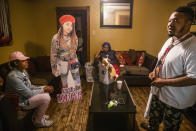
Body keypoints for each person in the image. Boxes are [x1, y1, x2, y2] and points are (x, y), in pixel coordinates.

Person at [141, 6, 196, 131]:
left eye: (176, 21)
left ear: (189, 24)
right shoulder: (171, 40)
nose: (170, 24)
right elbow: (162, 60)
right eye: (170, 20)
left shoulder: (192, 47)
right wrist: (154, 72)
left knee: (170, 127)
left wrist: (163, 82)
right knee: (154, 117)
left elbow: (194, 77)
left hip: (175, 100)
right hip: (159, 93)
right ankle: (152, 127)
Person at [6, 51, 54, 128]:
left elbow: (30, 86)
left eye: (26, 60)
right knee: (46, 97)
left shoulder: (23, 71)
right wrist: (44, 89)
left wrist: (43, 88)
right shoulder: (13, 77)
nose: (27, 62)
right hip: (21, 102)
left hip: (26, 96)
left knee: (44, 88)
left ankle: (37, 116)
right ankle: (38, 122)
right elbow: (29, 94)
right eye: (23, 61)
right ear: (16, 63)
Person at [50, 15, 82, 103]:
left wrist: (73, 59)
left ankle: (76, 95)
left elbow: (75, 50)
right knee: (64, 80)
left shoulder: (74, 37)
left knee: (77, 79)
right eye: (67, 24)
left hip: (74, 60)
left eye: (71, 25)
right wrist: (54, 67)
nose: (69, 27)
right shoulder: (56, 37)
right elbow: (53, 53)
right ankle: (66, 97)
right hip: (62, 62)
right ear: (62, 24)